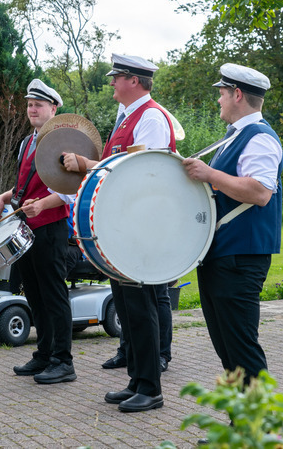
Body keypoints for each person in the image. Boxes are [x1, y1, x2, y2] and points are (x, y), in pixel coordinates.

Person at [63, 53, 175, 412]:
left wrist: (86, 165)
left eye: (117, 77)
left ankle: (151, 388)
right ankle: (138, 380)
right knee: (128, 309)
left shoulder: (152, 117)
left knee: (141, 309)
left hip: (142, 230)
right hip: (123, 229)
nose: (111, 82)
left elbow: (145, 172)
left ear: (135, 81)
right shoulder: (128, 116)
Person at [182, 63, 282, 382]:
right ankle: (240, 427)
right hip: (223, 254)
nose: (219, 100)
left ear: (237, 94)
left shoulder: (260, 138)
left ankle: (256, 428)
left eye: (222, 94)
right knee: (228, 349)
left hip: (241, 257)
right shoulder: (235, 135)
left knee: (241, 349)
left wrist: (209, 174)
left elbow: (261, 191)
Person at [0, 79, 76, 385]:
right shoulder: (28, 142)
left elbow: (72, 189)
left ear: (53, 108)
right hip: (25, 229)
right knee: (36, 296)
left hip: (50, 228)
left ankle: (63, 361)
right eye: (29, 104)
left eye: (38, 105)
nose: (32, 109)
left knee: (54, 296)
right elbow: (25, 184)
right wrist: (5, 196)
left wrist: (42, 205)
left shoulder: (64, 141)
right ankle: (44, 354)